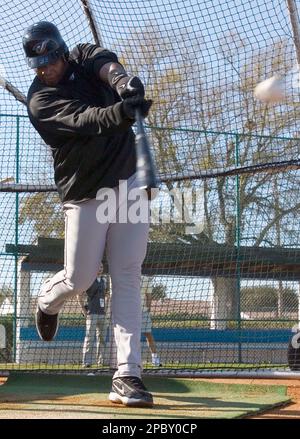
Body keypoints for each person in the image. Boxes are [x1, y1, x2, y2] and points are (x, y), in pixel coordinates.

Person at [23, 21, 153, 407]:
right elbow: (85, 120)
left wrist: (124, 83)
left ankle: (127, 374)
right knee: (81, 278)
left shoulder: (81, 55)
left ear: (61, 52)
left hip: (128, 179)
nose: (46, 69)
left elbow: (105, 63)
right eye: (39, 66)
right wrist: (123, 113)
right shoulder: (40, 102)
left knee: (127, 272)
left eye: (50, 61)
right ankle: (48, 301)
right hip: (84, 193)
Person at [78, 276, 108, 368]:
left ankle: (101, 361)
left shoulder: (104, 281)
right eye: (98, 267)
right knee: (89, 338)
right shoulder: (88, 280)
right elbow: (79, 294)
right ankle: (86, 361)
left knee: (102, 338)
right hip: (91, 313)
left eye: (101, 267)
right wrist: (83, 310)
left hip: (102, 314)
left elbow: (106, 295)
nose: (100, 269)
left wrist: (105, 308)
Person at [141, 276, 162, 366]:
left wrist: (148, 309)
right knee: (132, 336)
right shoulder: (128, 276)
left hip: (143, 312)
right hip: (131, 312)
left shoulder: (146, 279)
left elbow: (149, 296)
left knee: (148, 334)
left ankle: (155, 358)